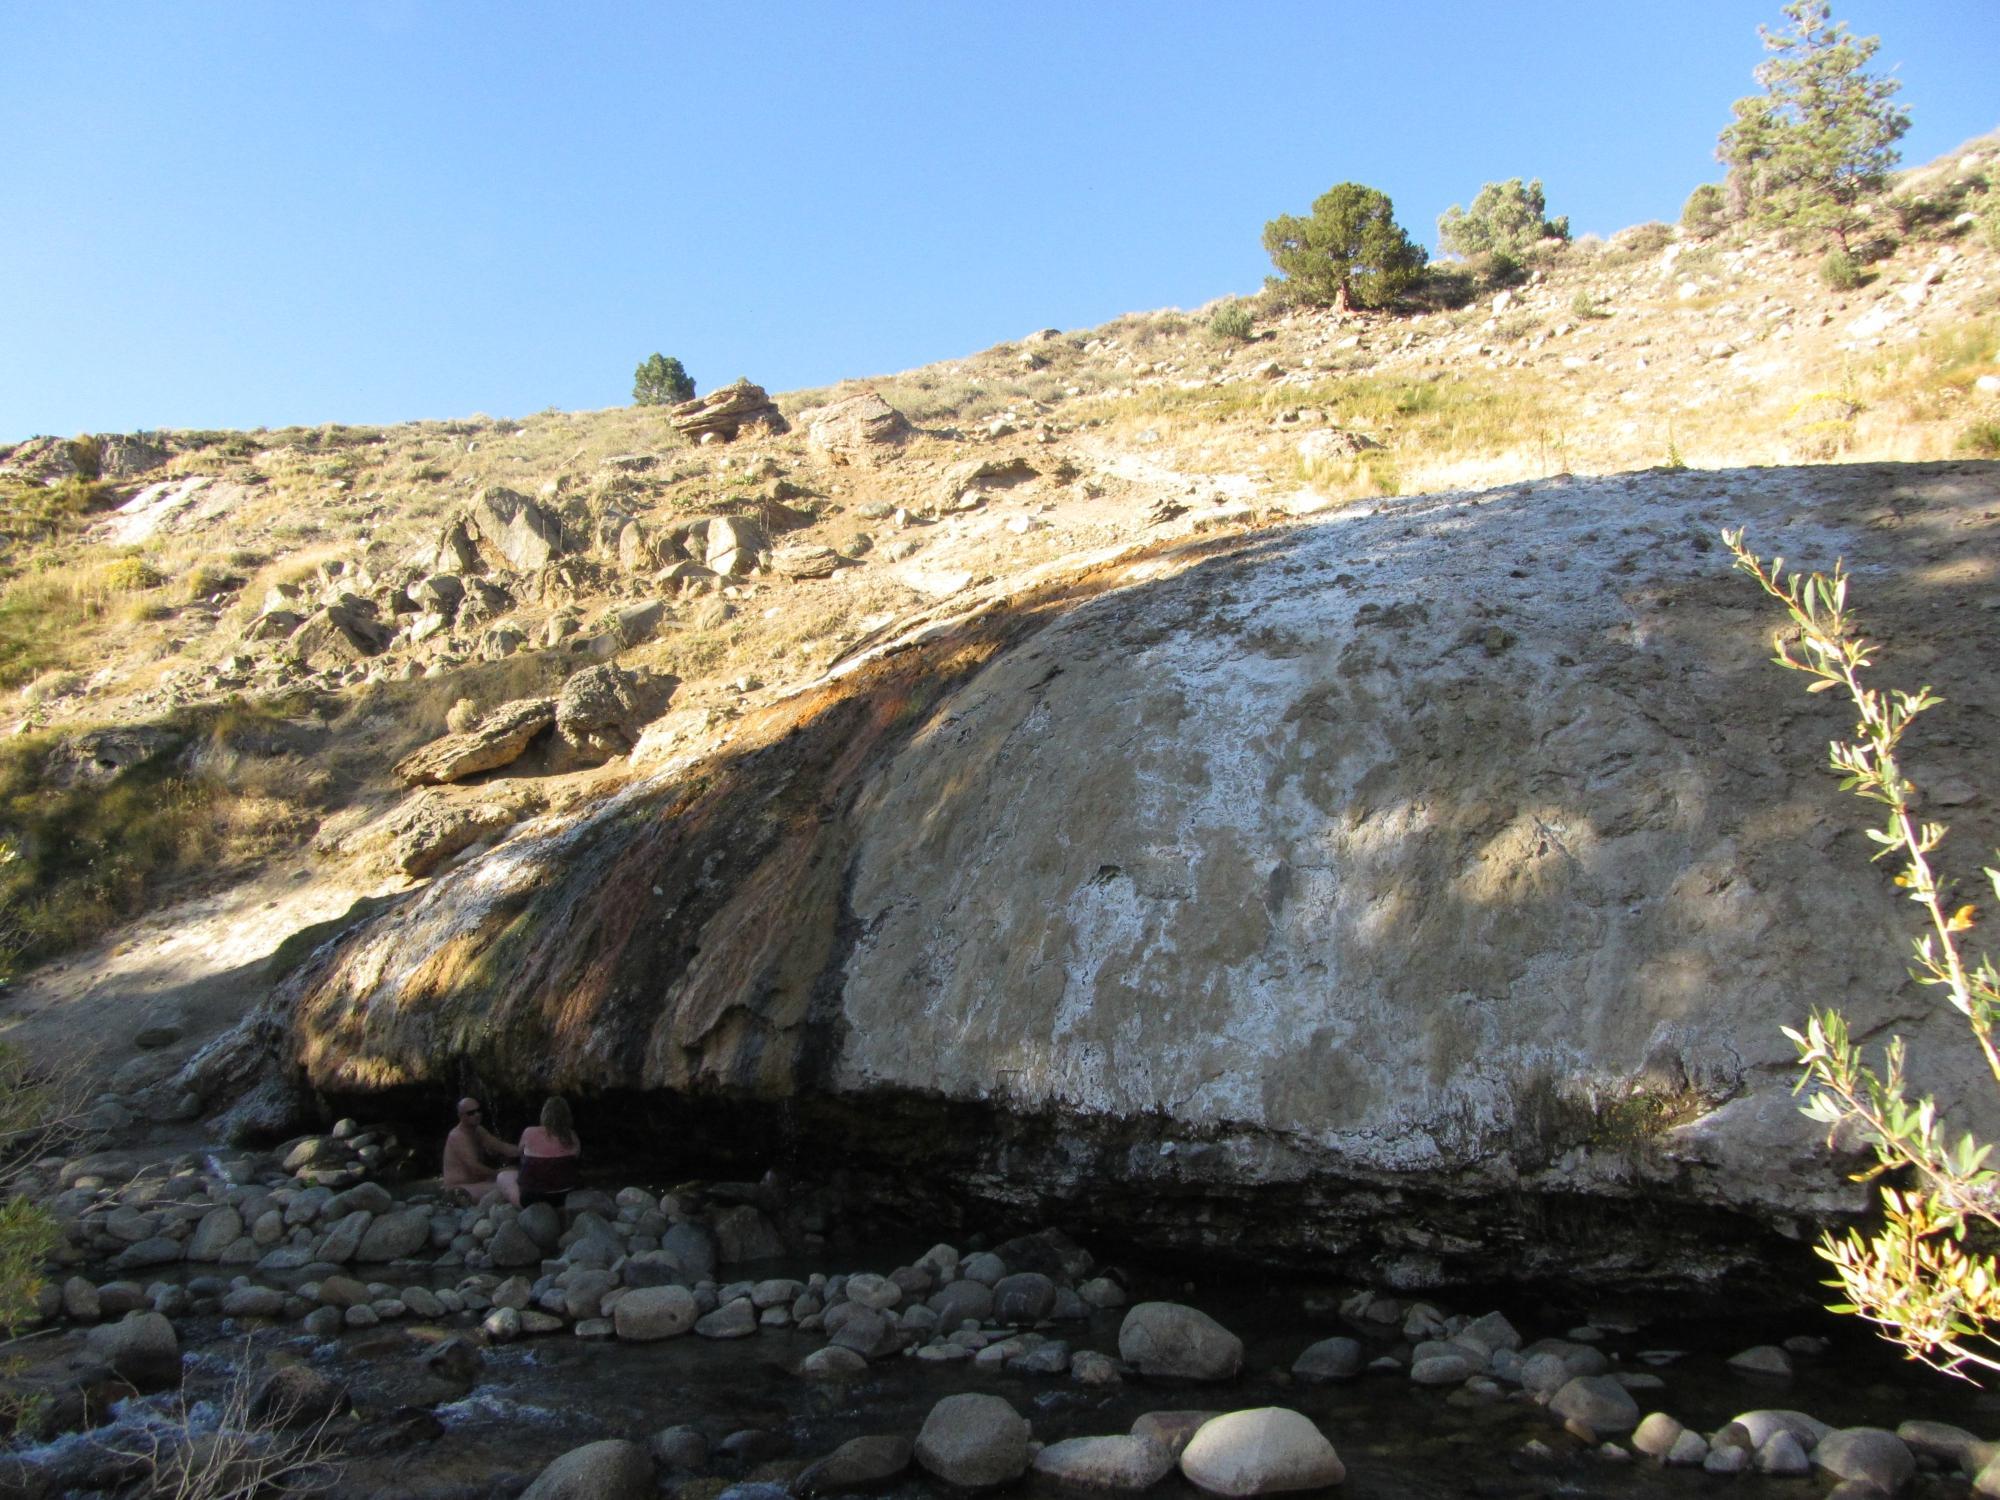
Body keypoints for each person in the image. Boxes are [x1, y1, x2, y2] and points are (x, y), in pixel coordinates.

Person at [498, 1095, 582, 1206]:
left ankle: (524, 1210)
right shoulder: (572, 1136)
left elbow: (519, 1152)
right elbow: (574, 1160)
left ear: (544, 1114)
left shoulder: (529, 1132)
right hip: (564, 1197)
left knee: (503, 1176)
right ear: (567, 1116)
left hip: (531, 1198)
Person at [441, 1097, 519, 1203]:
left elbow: (502, 1147)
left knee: (515, 1172)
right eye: (471, 1113)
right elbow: (474, 1168)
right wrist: (498, 1175)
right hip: (460, 1188)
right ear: (460, 1116)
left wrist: (526, 1151)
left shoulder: (478, 1130)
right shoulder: (457, 1136)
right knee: (505, 1185)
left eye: (478, 1110)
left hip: (478, 1181)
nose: (477, 1114)